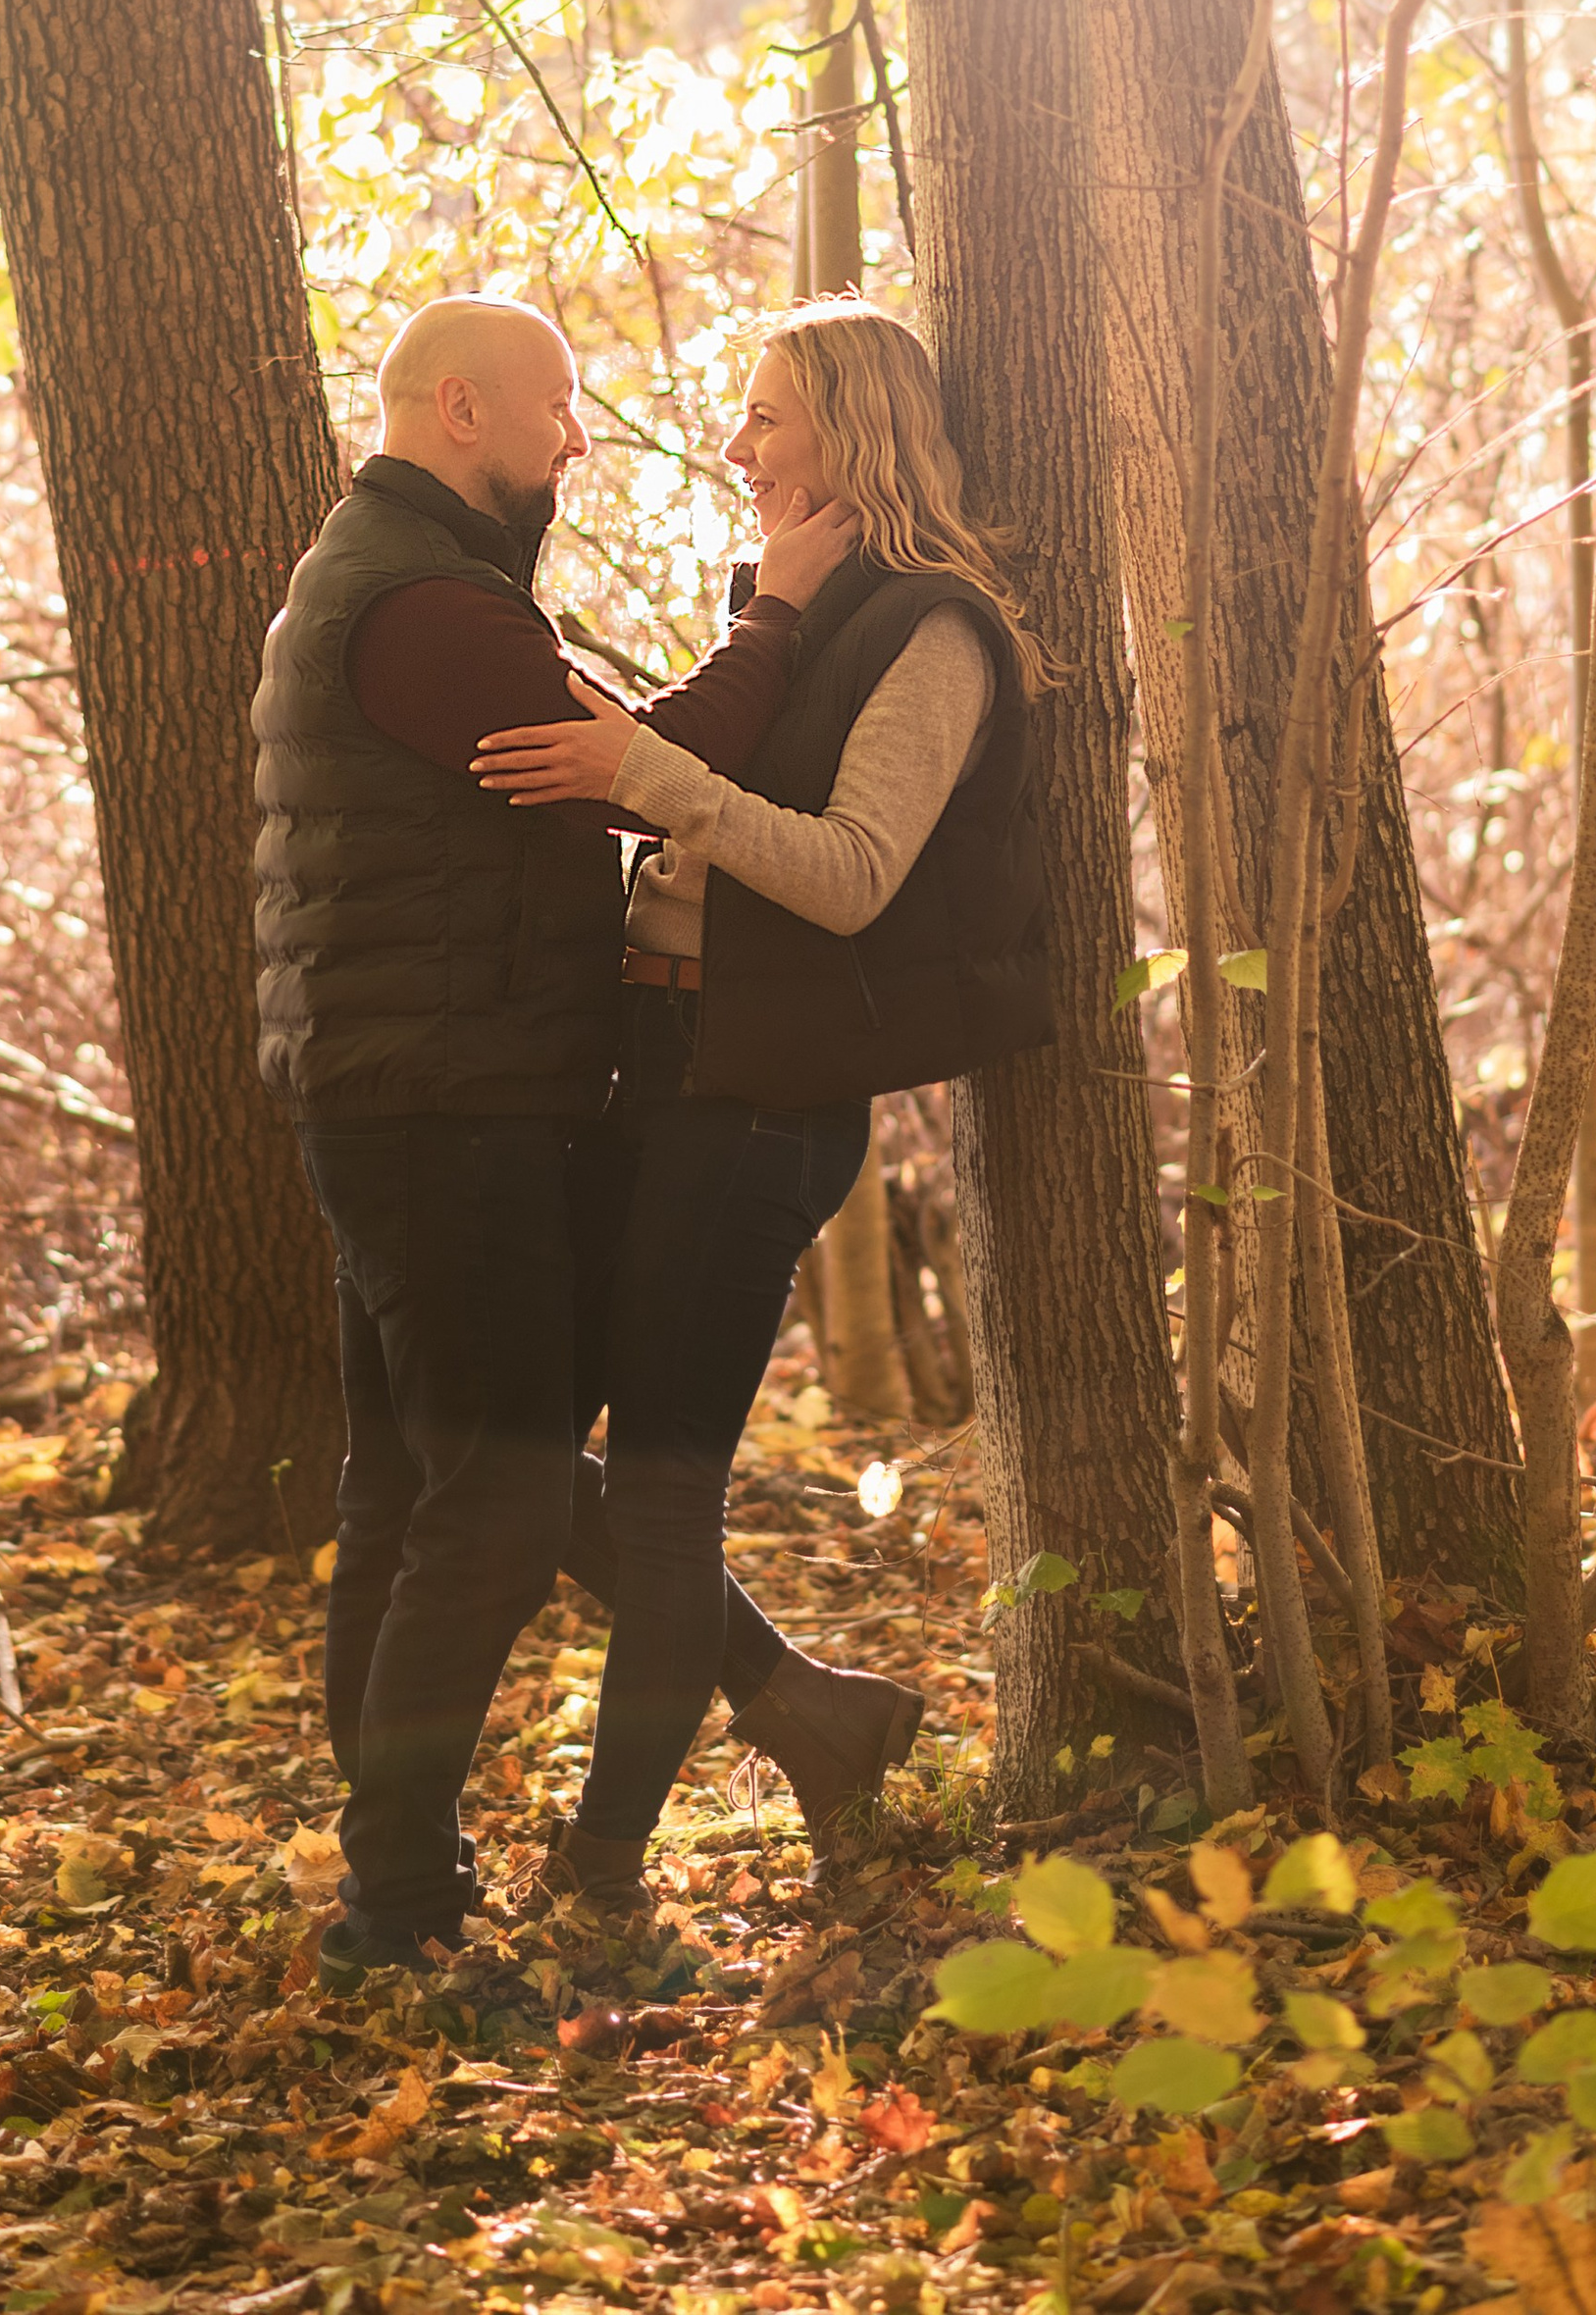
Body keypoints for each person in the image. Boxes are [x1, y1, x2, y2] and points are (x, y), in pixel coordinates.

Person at [252, 296, 904, 1980]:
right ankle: (395, 1902)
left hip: (425, 1098)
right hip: (440, 1113)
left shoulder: (423, 583)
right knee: (500, 1490)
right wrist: (778, 618)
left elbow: (617, 748)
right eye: (558, 407)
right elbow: (653, 770)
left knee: (419, 1484)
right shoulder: (422, 607)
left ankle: (423, 1865)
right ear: (460, 408)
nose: (580, 437)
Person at [472, 299, 1052, 1899]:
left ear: (852, 437)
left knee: (661, 1487)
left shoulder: (938, 632)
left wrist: (641, 779)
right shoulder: (792, 603)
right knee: (519, 1448)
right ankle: (806, 1707)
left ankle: (598, 1871)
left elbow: (855, 878)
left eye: (767, 418)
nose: (737, 447)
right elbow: (701, 784)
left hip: (758, 1104)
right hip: (647, 1071)